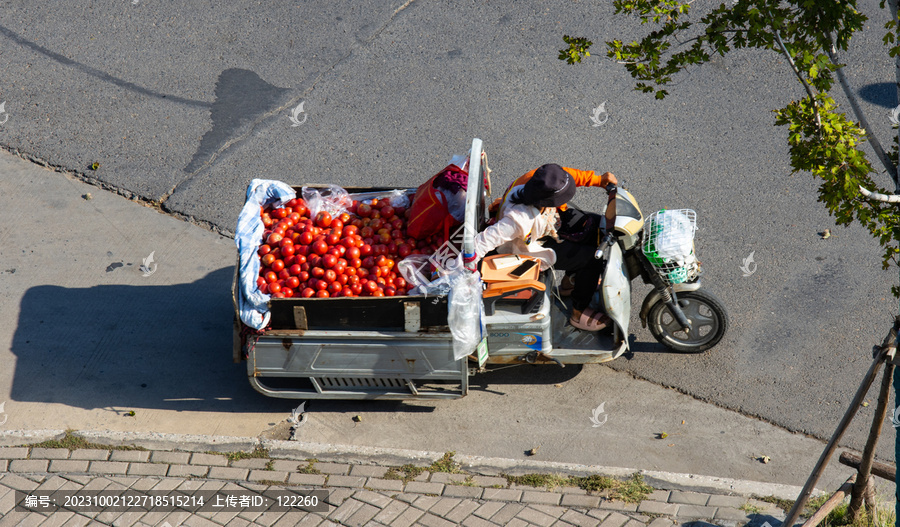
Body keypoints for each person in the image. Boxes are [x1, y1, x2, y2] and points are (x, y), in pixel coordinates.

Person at [469, 163, 618, 331]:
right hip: (529, 248)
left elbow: (565, 175)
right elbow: (482, 242)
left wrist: (599, 180)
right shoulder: (518, 220)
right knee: (591, 259)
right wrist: (464, 271)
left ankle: (571, 283)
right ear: (549, 201)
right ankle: (579, 311)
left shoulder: (536, 180)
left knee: (596, 227)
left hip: (549, 223)